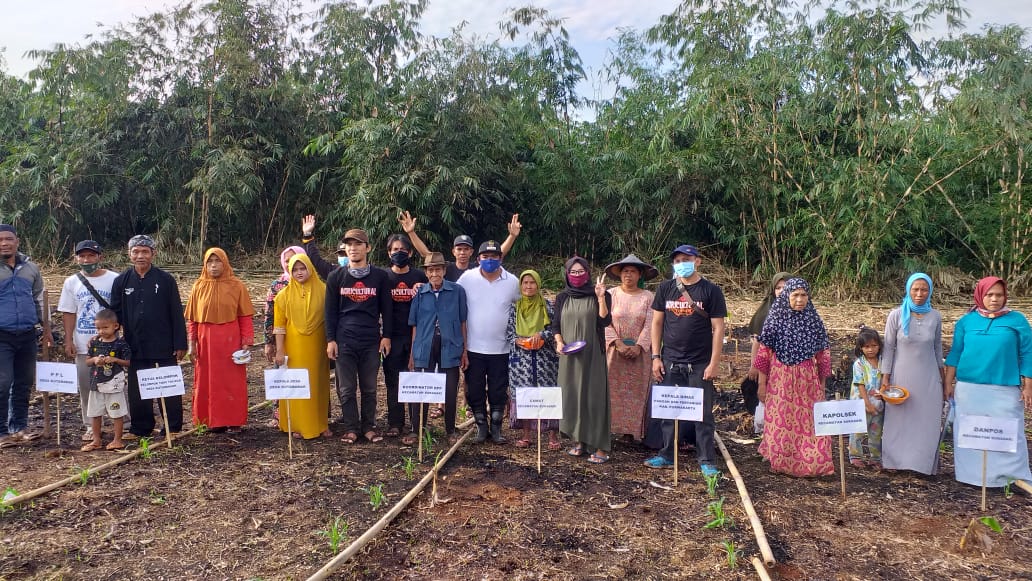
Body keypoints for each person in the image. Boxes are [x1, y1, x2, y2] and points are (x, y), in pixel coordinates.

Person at [644, 245, 726, 478]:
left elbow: (718, 328)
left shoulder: (711, 291)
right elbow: (657, 323)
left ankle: (706, 459)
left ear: (697, 261)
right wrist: (655, 357)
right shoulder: (666, 289)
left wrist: (714, 363)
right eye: (677, 260)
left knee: (702, 413)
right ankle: (667, 454)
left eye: (686, 259)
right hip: (670, 360)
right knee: (669, 410)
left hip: (700, 362)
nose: (682, 263)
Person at [944, 276, 1032, 487]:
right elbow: (955, 353)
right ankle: (971, 477)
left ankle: (1011, 478)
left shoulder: (1017, 320)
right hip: (969, 389)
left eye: (999, 295)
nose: (994, 299)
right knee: (971, 431)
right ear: (980, 295)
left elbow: (1028, 353)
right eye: (989, 294)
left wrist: (1028, 386)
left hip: (1005, 388)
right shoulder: (966, 322)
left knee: (1008, 431)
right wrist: (948, 383)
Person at [109, 235, 188, 439]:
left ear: (153, 254)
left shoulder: (165, 280)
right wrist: (111, 341)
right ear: (129, 254)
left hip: (164, 343)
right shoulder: (121, 281)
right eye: (136, 251)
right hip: (135, 344)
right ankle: (141, 428)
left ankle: (173, 427)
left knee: (168, 386)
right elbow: (114, 314)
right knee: (137, 387)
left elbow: (176, 313)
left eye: (145, 251)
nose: (140, 255)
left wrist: (180, 343)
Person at [754, 277, 834, 477]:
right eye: (795, 295)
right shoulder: (775, 319)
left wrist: (822, 384)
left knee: (809, 423)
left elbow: (823, 354)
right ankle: (782, 463)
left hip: (807, 381)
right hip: (780, 379)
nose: (800, 299)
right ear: (787, 296)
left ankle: (812, 464)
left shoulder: (813, 321)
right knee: (782, 421)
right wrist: (761, 385)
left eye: (804, 295)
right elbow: (764, 353)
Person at [324, 228, 393, 444]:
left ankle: (369, 426)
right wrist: (330, 340)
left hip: (371, 339)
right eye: (349, 245)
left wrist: (386, 336)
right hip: (344, 339)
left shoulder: (380, 276)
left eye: (358, 244)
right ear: (345, 248)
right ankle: (351, 427)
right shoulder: (336, 277)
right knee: (346, 387)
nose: (353, 248)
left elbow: (387, 309)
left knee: (370, 386)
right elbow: (330, 311)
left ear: (368, 248)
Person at [879, 273, 945, 474]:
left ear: (930, 291)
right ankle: (894, 462)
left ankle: (922, 465)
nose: (919, 294)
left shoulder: (935, 316)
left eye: (924, 289)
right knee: (898, 418)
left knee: (926, 421)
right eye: (915, 289)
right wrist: (885, 378)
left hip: (929, 378)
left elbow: (937, 348)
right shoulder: (896, 315)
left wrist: (944, 380)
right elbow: (889, 348)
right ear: (908, 290)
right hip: (902, 375)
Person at [184, 248, 255, 433]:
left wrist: (246, 342)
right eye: (210, 261)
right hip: (206, 341)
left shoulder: (237, 285)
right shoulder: (198, 286)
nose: (214, 265)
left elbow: (245, 316)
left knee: (232, 381)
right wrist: (192, 344)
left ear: (225, 263)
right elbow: (193, 319)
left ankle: (233, 420)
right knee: (207, 380)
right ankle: (211, 419)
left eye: (218, 261)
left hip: (230, 341)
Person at [458, 240, 520, 443]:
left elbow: (523, 308)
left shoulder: (512, 281)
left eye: (494, 257)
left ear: (501, 258)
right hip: (473, 348)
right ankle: (481, 428)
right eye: (485, 257)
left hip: (501, 349)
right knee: (474, 390)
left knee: (498, 390)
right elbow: (454, 302)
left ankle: (497, 428)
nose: (490, 261)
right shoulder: (467, 278)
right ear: (478, 259)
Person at [57, 240, 120, 442]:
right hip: (84, 344)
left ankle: (122, 422)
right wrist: (68, 340)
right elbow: (69, 313)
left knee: (117, 383)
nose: (87, 260)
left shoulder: (114, 279)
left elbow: (121, 311)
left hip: (112, 344)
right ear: (76, 258)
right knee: (87, 385)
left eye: (91, 256)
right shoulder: (71, 282)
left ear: (100, 257)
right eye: (82, 256)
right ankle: (90, 425)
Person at [554, 257, 613, 463]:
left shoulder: (601, 294)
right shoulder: (562, 297)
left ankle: (600, 446)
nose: (577, 276)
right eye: (573, 272)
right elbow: (556, 326)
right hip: (569, 356)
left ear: (588, 273)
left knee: (594, 397)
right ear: (567, 274)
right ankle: (579, 441)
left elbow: (605, 320)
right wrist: (559, 343)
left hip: (593, 355)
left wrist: (600, 297)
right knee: (572, 396)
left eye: (581, 272)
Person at [0, 224, 52, 444]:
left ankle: (19, 427)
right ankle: (1, 432)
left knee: (24, 382)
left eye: (9, 239)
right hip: (2, 335)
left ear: (17, 241)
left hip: (28, 334)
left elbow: (40, 297)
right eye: (0, 239)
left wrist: (47, 327)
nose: (4, 243)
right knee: (3, 382)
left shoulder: (31, 268)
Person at [408, 252, 468, 443]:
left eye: (438, 269)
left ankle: (450, 429)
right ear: (426, 273)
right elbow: (415, 324)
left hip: (450, 345)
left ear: (444, 271)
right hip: (424, 345)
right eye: (431, 270)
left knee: (450, 388)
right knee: (421, 388)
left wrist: (464, 350)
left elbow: (462, 322)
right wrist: (412, 353)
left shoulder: (457, 291)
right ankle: (417, 429)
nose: (435, 273)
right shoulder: (420, 293)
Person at [273, 254, 332, 439]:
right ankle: (296, 424)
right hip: (294, 346)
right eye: (295, 269)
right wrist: (280, 350)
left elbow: (331, 318)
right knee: (297, 383)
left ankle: (320, 424)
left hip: (317, 346)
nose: (299, 272)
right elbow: (279, 326)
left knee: (317, 383)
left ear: (310, 269)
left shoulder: (324, 291)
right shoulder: (283, 296)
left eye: (302, 268)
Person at [603, 254, 657, 442]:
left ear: (640, 275)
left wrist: (640, 345)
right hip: (614, 352)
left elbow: (651, 324)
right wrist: (616, 342)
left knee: (636, 392)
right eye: (625, 271)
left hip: (639, 354)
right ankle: (609, 429)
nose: (629, 275)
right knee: (611, 390)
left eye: (633, 271)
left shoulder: (649, 297)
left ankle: (631, 432)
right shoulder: (610, 295)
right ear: (619, 274)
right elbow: (604, 320)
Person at [506, 269, 561, 450]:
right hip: (521, 360)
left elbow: (555, 328)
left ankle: (553, 437)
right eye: (525, 283)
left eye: (532, 283)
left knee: (548, 394)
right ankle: (527, 435)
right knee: (525, 394)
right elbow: (509, 333)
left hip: (545, 358)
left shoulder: (547, 305)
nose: (528, 286)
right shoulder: (516, 306)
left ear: (538, 284)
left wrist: (542, 335)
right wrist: (518, 340)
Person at [381, 234, 428, 443]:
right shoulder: (383, 278)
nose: (398, 253)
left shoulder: (420, 276)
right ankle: (395, 423)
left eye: (402, 250)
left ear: (409, 253)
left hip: (417, 337)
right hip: (392, 336)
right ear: (388, 253)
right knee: (394, 380)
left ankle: (417, 425)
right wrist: (385, 336)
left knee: (416, 379)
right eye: (394, 250)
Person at [397, 210, 521, 282]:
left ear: (471, 252)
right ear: (453, 251)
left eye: (466, 249)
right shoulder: (446, 268)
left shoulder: (477, 268)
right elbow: (427, 255)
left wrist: (512, 236)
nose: (462, 252)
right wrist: (411, 232)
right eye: (459, 249)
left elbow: (498, 254)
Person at [80, 309, 131, 451]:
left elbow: (128, 362)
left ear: (116, 326)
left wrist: (115, 359)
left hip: (113, 384)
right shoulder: (95, 343)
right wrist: (95, 360)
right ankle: (96, 440)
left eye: (105, 327)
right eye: (98, 328)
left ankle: (117, 440)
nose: (101, 331)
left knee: (117, 413)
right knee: (95, 413)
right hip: (96, 383)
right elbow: (87, 361)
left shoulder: (121, 344)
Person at [848, 327, 884, 469]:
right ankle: (855, 456)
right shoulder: (859, 364)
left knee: (876, 431)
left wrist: (883, 392)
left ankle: (875, 457)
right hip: (861, 403)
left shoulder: (883, 362)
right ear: (861, 348)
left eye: (874, 346)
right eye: (867, 347)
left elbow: (886, 380)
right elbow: (860, 385)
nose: (871, 350)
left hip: (878, 403)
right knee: (857, 430)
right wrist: (867, 403)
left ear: (879, 346)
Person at [263, 245, 307, 360]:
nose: (290, 263)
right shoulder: (277, 286)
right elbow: (269, 315)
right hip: (284, 339)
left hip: (310, 338)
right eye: (287, 261)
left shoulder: (315, 284)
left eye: (294, 258)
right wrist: (268, 342)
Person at [746, 272, 791, 381]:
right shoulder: (766, 312)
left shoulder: (802, 312)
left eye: (785, 288)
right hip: (770, 366)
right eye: (778, 288)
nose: (781, 291)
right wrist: (754, 365)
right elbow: (757, 342)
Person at [299, 214, 348, 280]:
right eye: (341, 254)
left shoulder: (365, 273)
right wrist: (307, 234)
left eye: (346, 254)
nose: (344, 257)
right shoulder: (333, 272)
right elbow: (314, 258)